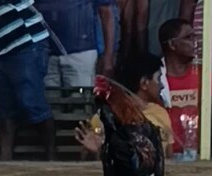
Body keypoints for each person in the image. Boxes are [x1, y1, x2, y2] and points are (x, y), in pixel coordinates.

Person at [0, 0, 56, 160]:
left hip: (28, 43)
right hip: (0, 47)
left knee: (30, 101)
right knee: (2, 105)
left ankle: (52, 157)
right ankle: (5, 158)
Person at [76, 53, 174, 157]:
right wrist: (97, 151)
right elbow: (85, 165)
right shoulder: (103, 119)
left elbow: (169, 157)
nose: (162, 86)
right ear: (144, 83)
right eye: (158, 79)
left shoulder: (160, 112)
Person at [158, 18, 199, 157]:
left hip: (201, 154)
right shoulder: (155, 80)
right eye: (188, 37)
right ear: (172, 44)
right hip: (166, 156)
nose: (195, 43)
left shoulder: (204, 76)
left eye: (195, 37)